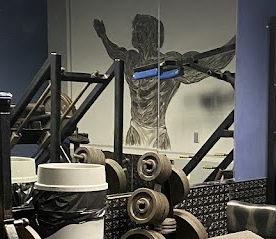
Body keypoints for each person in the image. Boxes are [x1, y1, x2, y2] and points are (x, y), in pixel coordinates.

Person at [93, 13, 235, 150]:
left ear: (153, 35)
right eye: (135, 29)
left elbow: (210, 63)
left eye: (140, 29)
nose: (135, 33)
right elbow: (114, 52)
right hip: (134, 127)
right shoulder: (131, 59)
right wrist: (103, 36)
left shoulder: (168, 62)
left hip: (157, 133)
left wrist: (236, 41)